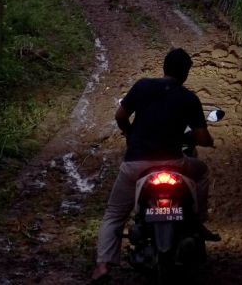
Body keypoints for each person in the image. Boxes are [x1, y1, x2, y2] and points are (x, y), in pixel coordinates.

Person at [91, 48, 218, 283]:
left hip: (136, 165)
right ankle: (197, 221)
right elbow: (201, 138)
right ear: (186, 73)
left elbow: (120, 115)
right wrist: (209, 141)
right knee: (201, 171)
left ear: (164, 67)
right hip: (174, 163)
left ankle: (102, 266)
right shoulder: (189, 98)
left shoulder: (142, 86)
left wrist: (130, 133)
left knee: (114, 215)